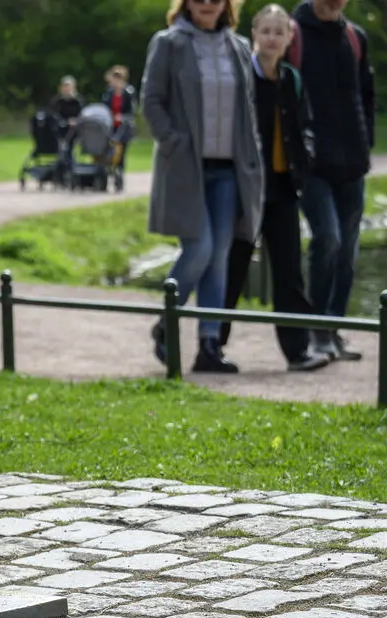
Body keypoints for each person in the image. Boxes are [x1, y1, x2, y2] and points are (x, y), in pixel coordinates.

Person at [143, 0, 264, 373]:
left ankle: (209, 346)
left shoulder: (239, 47)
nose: (208, 3)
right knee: (201, 248)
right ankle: (167, 321)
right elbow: (151, 100)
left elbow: (249, 108)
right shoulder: (168, 43)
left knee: (219, 258)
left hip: (230, 170)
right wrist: (174, 142)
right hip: (186, 169)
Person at [220, 4, 331, 372]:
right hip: (246, 191)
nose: (271, 38)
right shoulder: (241, 76)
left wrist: (306, 158)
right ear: (254, 34)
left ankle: (297, 351)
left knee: (289, 272)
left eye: (278, 32)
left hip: (283, 190)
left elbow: (306, 127)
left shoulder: (291, 79)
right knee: (233, 268)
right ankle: (212, 345)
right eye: (265, 31)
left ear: (289, 38)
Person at [287, 0, 375, 361]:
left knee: (348, 252)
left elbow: (366, 94)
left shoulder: (355, 37)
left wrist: (366, 141)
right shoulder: (294, 34)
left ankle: (333, 327)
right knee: (327, 240)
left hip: (353, 163)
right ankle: (316, 330)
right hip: (312, 165)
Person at [100, 65, 137, 172]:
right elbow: (104, 107)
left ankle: (119, 171)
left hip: (123, 126)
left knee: (121, 150)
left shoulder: (129, 92)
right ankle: (106, 169)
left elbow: (132, 111)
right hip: (110, 125)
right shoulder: (108, 92)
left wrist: (122, 117)